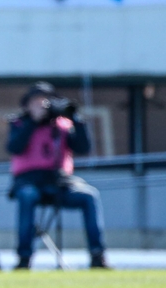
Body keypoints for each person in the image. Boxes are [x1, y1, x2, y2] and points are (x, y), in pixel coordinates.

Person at [6, 82, 109, 270]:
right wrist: (33, 122)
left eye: (45, 102)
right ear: (27, 105)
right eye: (36, 102)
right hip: (29, 180)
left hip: (59, 180)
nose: (42, 106)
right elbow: (14, 147)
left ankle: (97, 256)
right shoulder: (19, 123)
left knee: (89, 196)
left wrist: (76, 119)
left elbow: (83, 147)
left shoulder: (63, 125)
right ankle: (24, 258)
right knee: (27, 196)